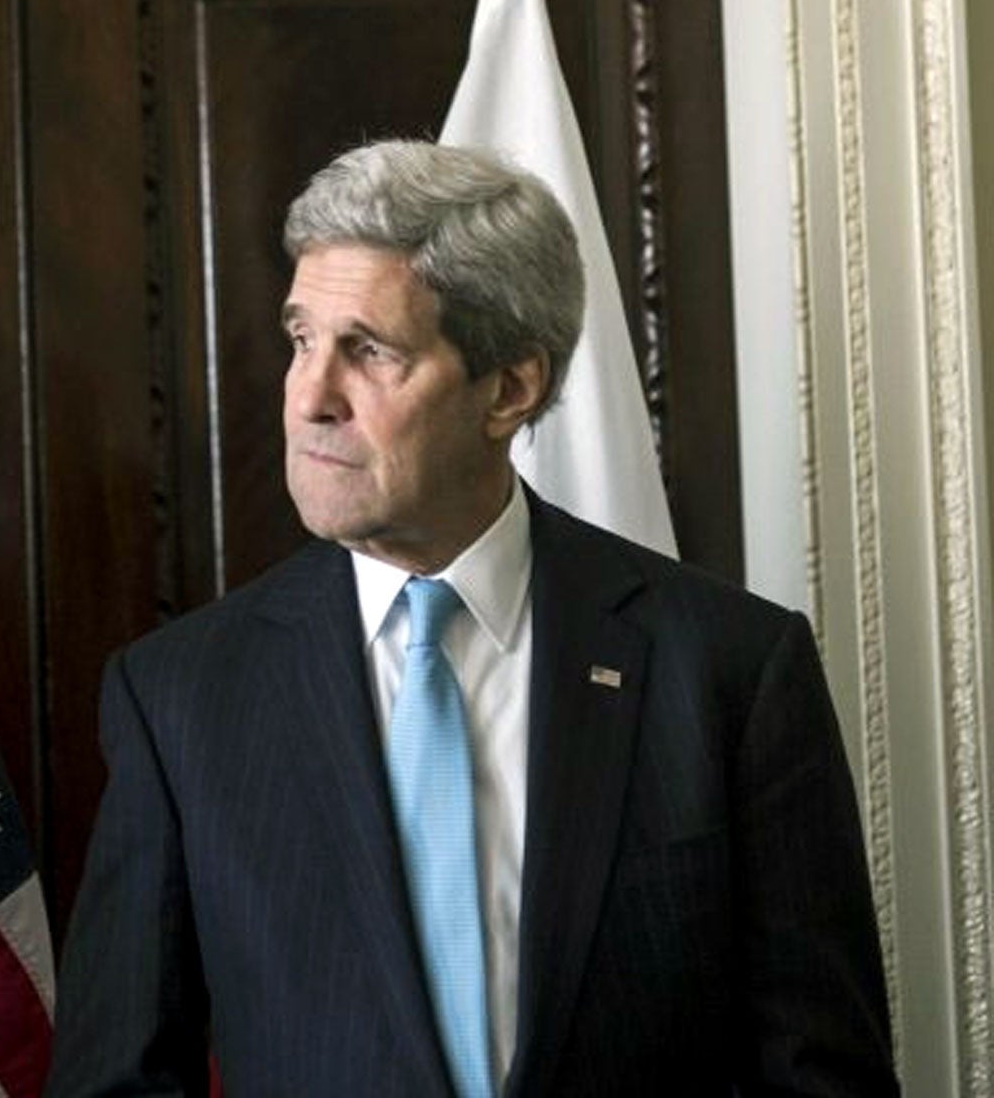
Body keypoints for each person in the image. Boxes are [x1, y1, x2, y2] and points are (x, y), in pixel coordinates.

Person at [46, 141, 895, 1097]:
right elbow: (114, 1080)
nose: (309, 397)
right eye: (300, 340)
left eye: (368, 351)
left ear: (510, 389)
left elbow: (826, 1078)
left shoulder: (730, 667)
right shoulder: (181, 695)